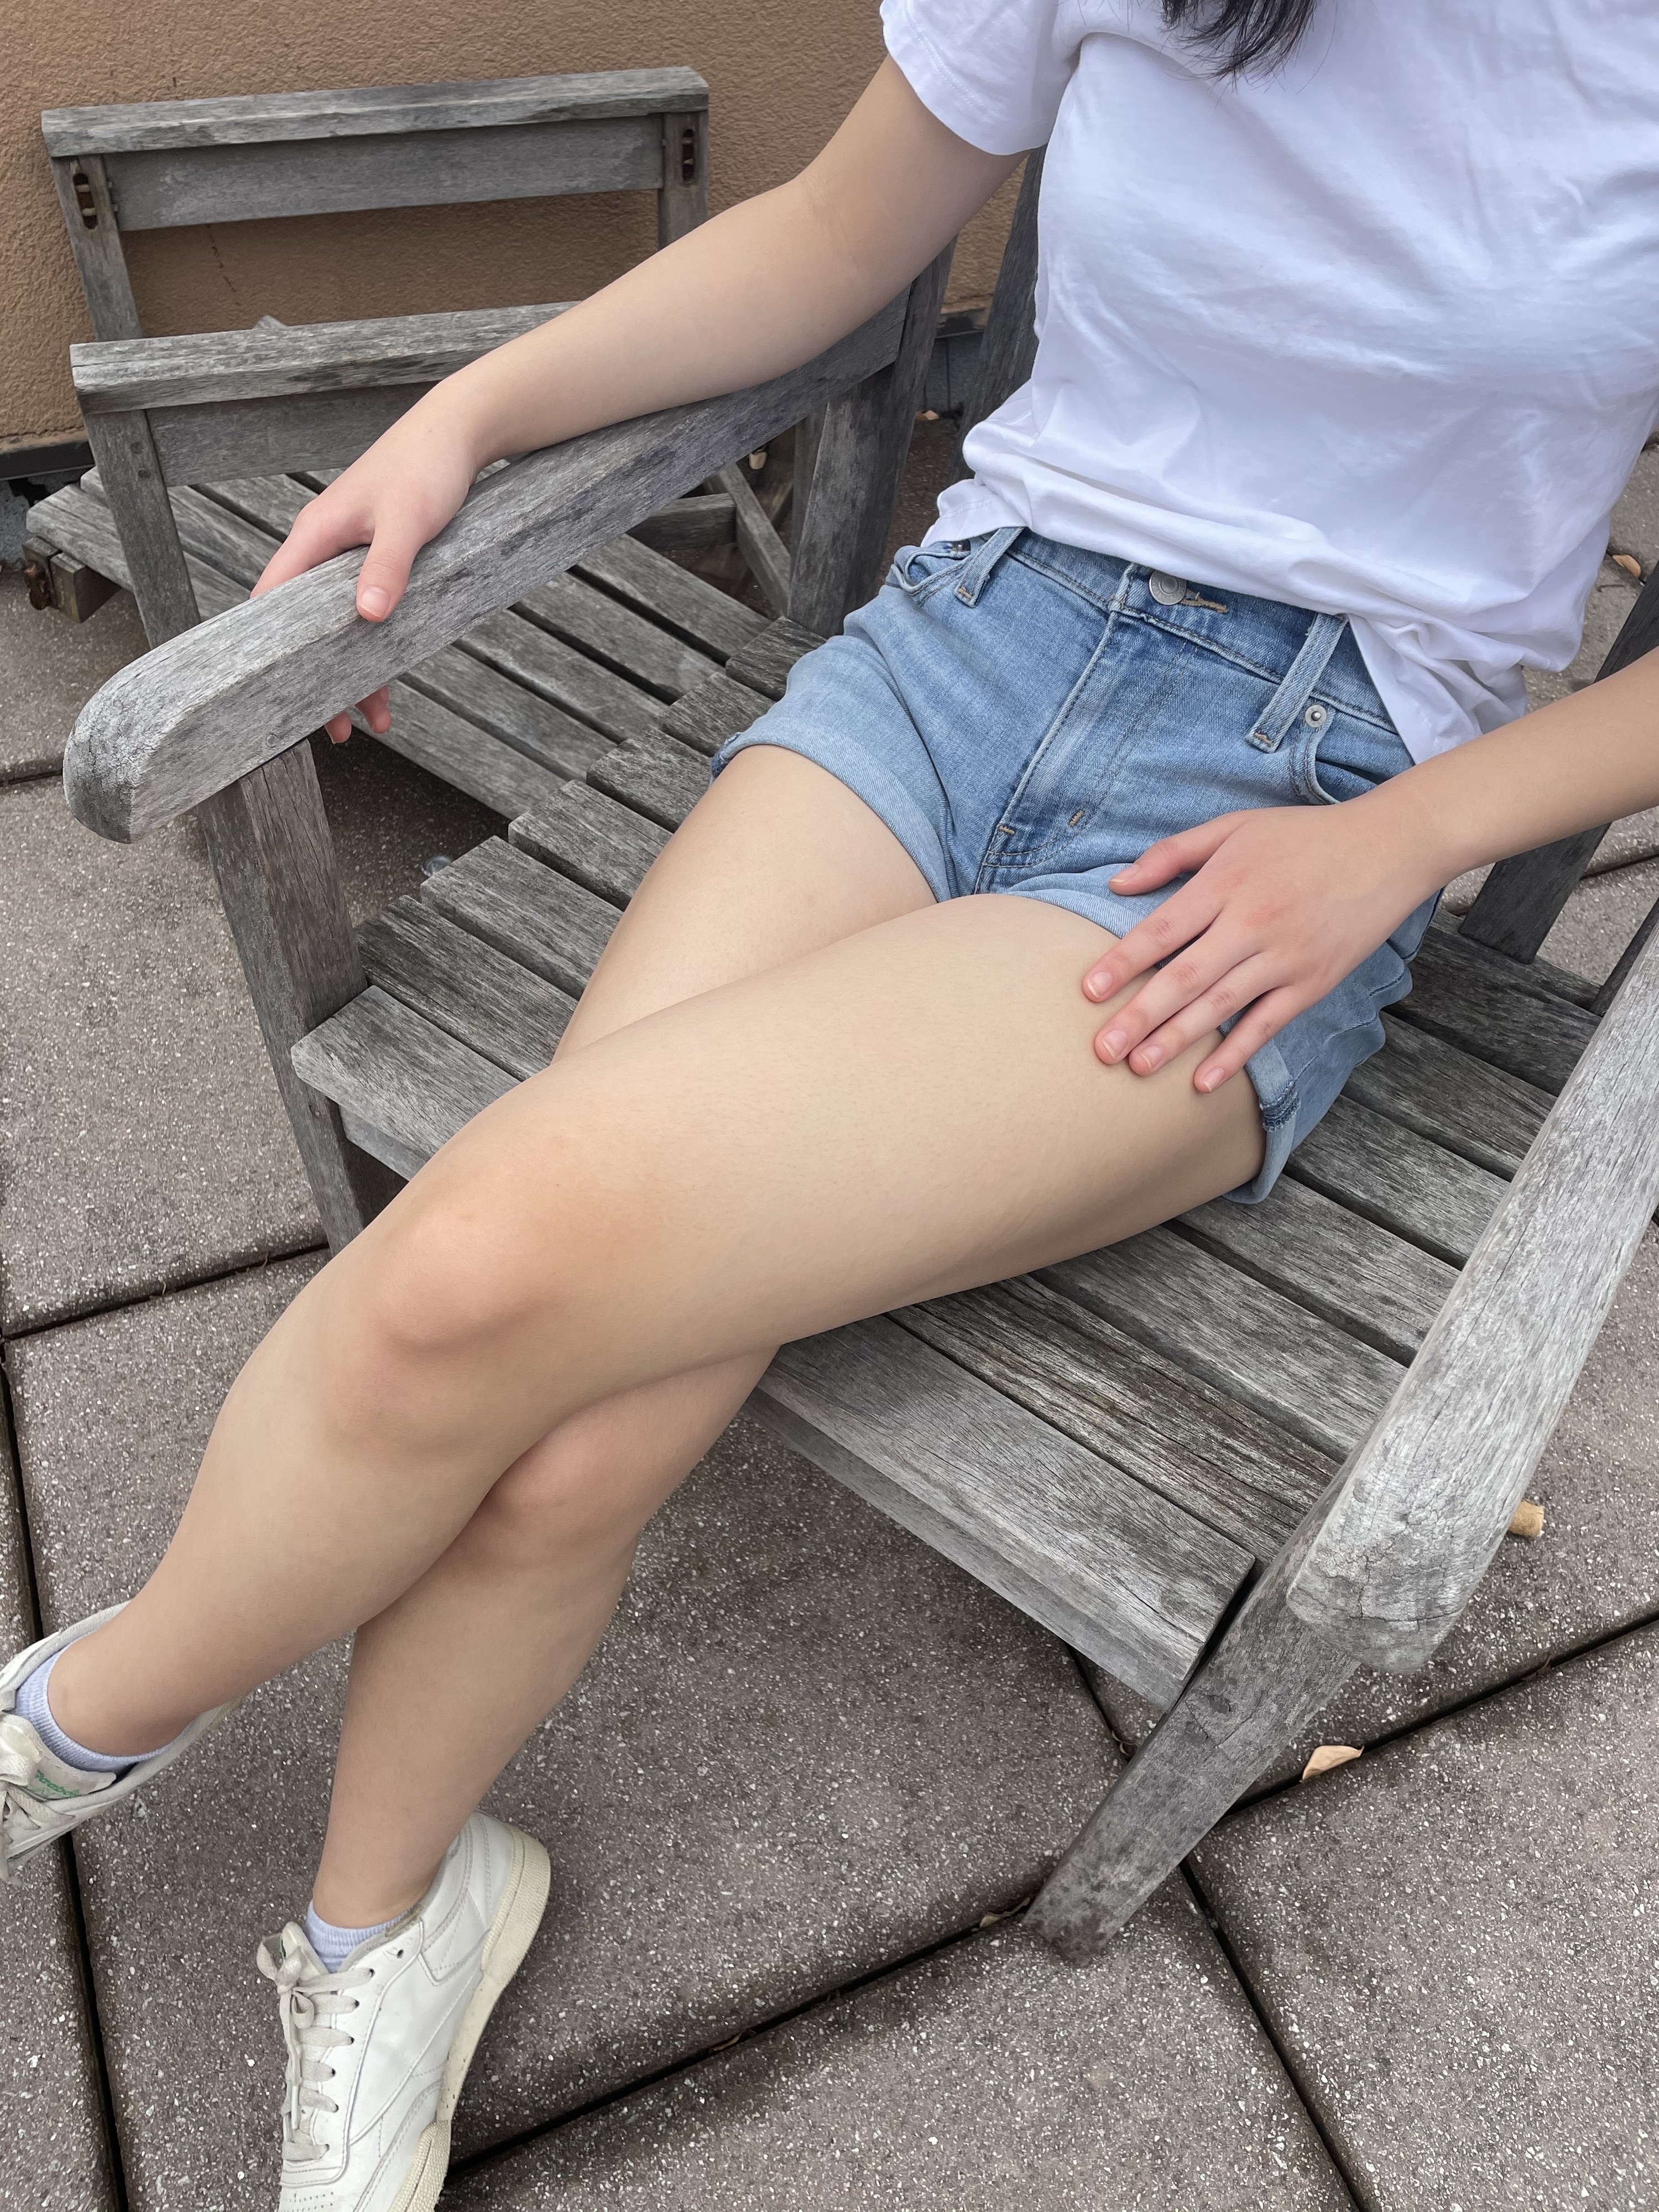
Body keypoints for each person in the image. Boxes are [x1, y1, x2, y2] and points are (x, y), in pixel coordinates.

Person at [5, 2, 1658, 2203]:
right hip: (966, 648)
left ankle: (86, 1719)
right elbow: (835, 233)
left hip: (1290, 818)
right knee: (567, 1395)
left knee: (486, 1270)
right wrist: (467, 412)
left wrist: (1404, 841)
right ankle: (386, 1917)